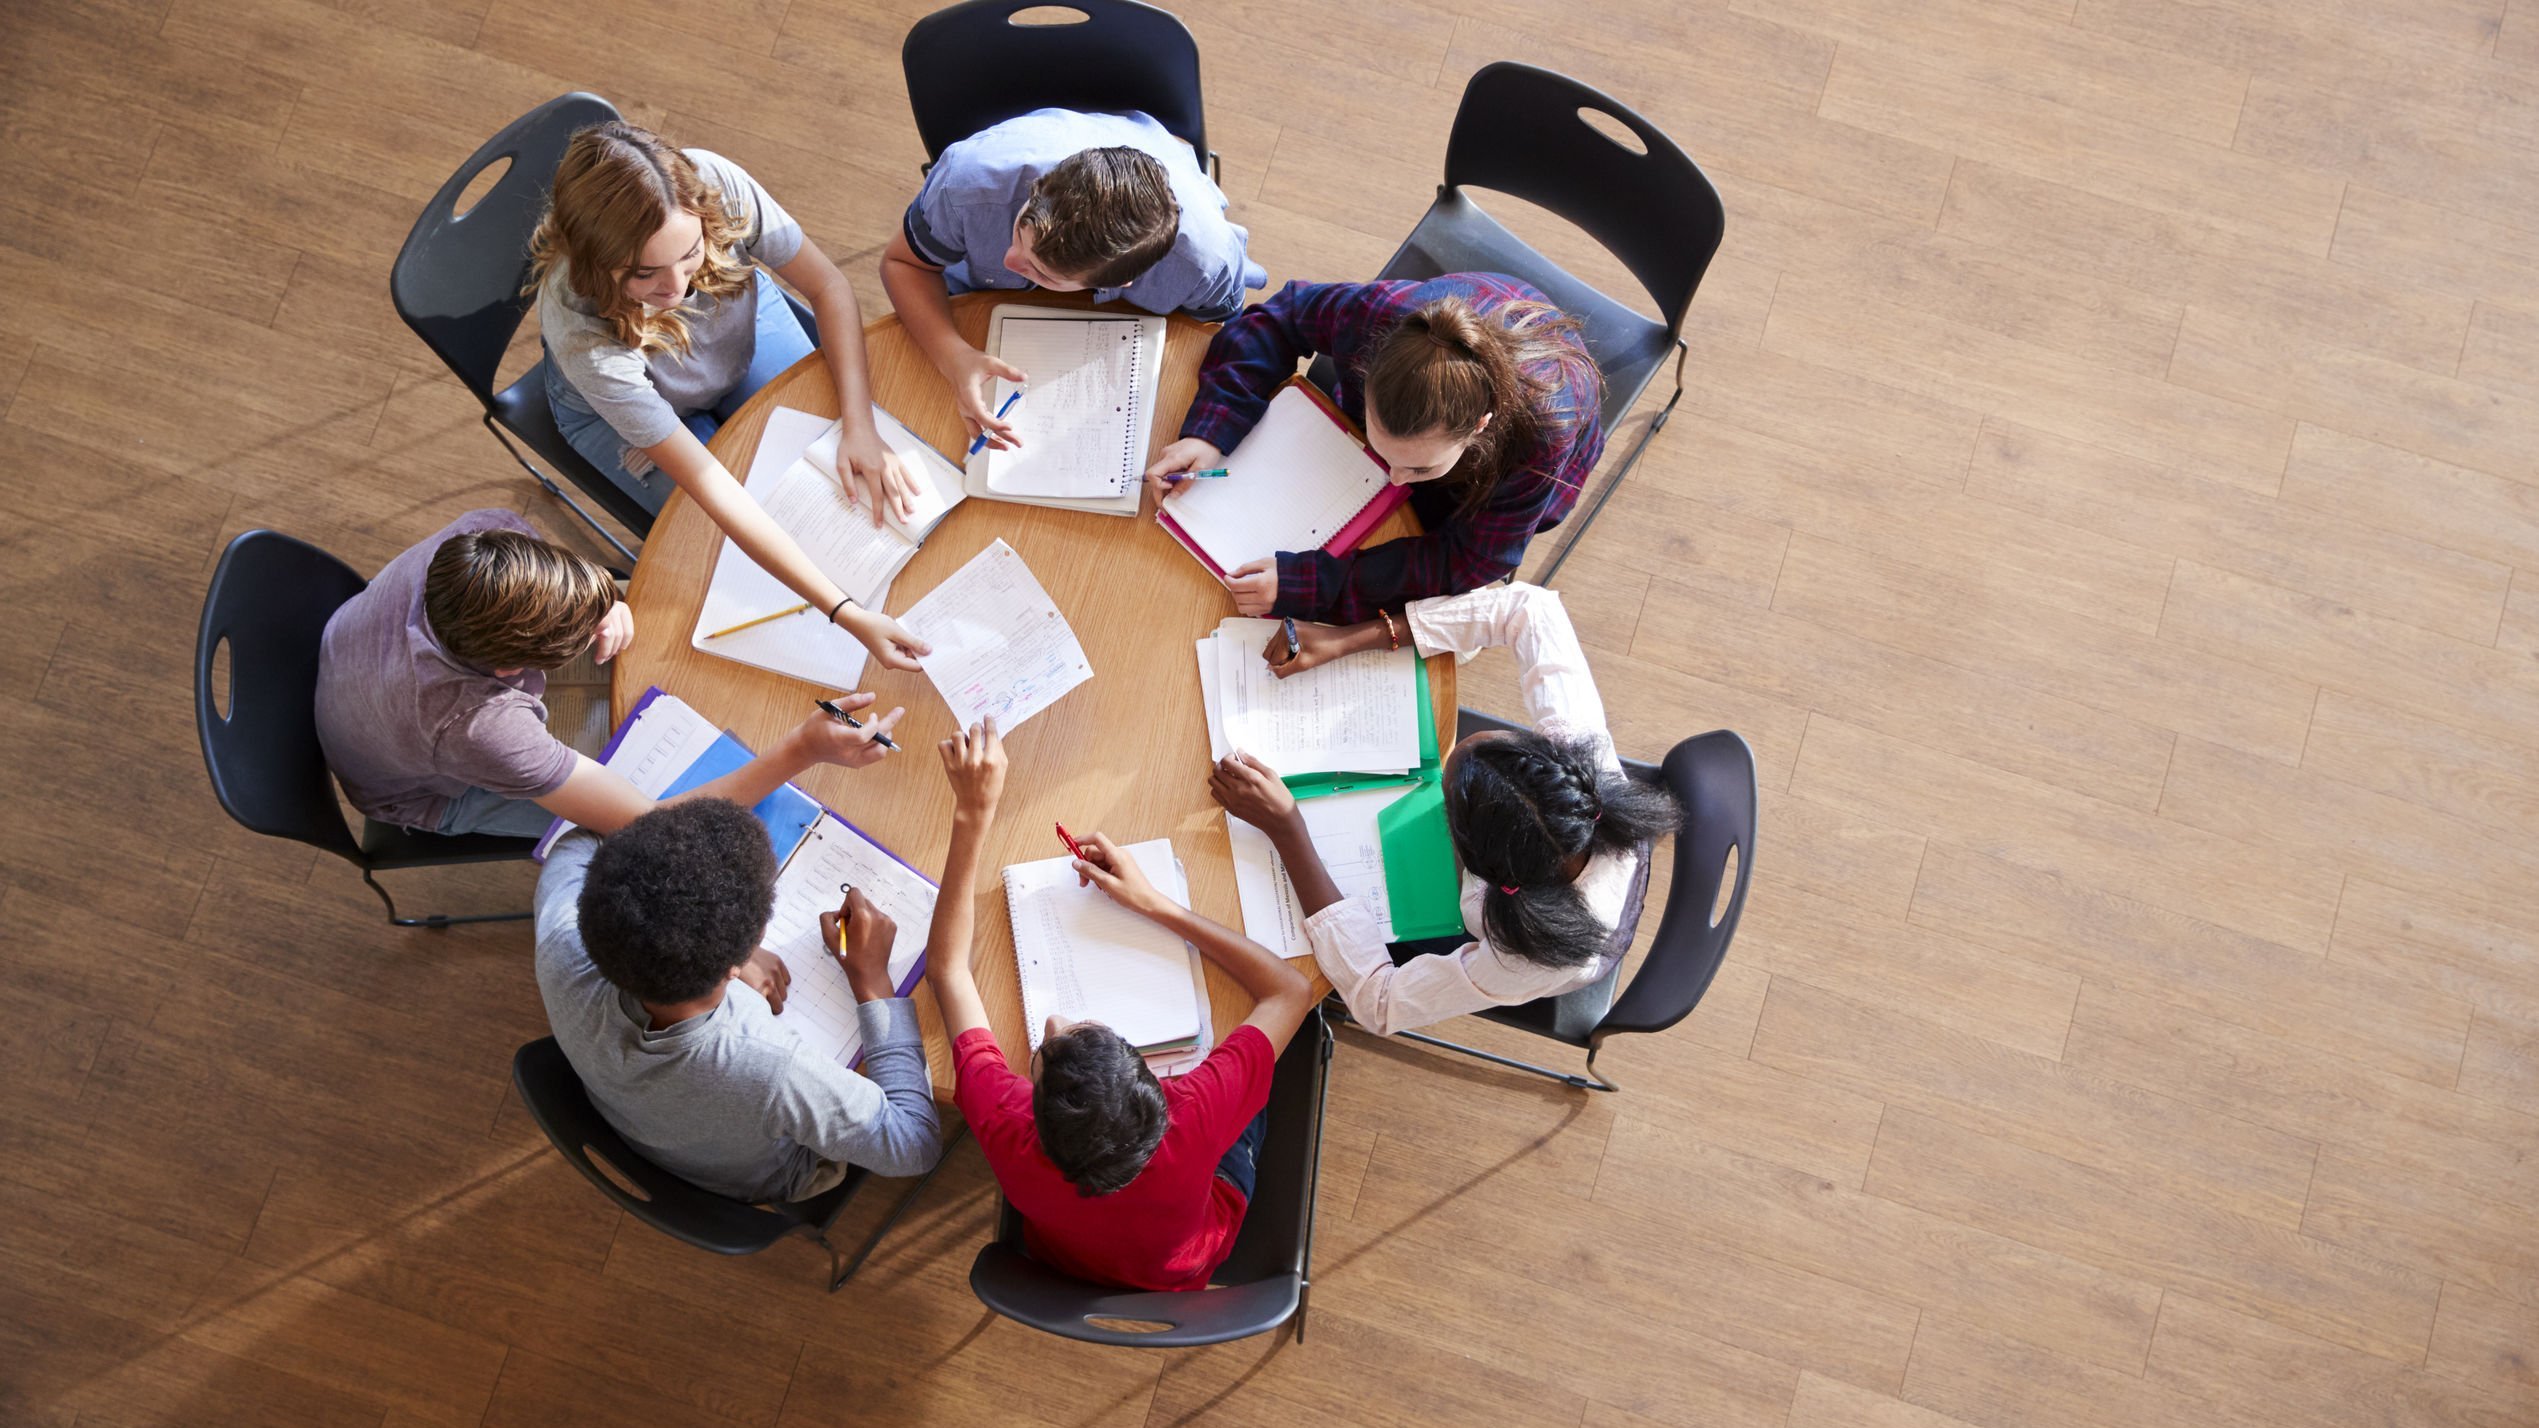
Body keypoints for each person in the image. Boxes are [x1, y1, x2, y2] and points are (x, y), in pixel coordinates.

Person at [924, 719, 1315, 1292]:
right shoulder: (1195, 1114)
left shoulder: (1003, 1121)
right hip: (1186, 1254)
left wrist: (971, 815)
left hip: (1065, 1261)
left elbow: (948, 971)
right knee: (1233, 1046)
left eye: (1047, 1045)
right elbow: (1292, 991)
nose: (1054, 1021)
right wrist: (1157, 905)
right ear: (1155, 1084)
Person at [531, 120, 928, 671]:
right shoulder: (581, 335)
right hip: (623, 414)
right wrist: (844, 611)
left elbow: (829, 286)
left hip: (729, 328)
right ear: (596, 265)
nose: (676, 288)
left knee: (832, 473)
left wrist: (859, 425)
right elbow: (711, 485)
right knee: (736, 548)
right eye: (645, 273)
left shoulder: (714, 181)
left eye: (690, 253)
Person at [1207, 582, 1680, 1036]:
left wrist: (1288, 831)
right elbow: (1530, 609)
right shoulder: (1582, 760)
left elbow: (1378, 1002)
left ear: (1468, 861)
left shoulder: (1523, 961)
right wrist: (1349, 638)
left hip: (1541, 937)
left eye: (1443, 804)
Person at [314, 509, 901, 839]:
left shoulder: (481, 540)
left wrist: (608, 605)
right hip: (420, 787)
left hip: (358, 660)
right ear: (510, 667)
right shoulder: (477, 726)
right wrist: (799, 748)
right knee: (642, 815)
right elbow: (648, 823)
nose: (605, 619)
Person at [535, 799, 941, 1201]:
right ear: (739, 958)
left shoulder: (561, 940)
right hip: (761, 1177)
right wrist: (872, 982)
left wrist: (722, 952)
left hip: (632, 1116)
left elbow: (579, 837)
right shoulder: (773, 1069)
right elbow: (913, 1144)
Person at [1146, 276, 1606, 623]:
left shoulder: (1544, 433)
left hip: (1505, 472)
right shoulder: (1378, 314)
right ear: (1367, 372)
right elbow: (1279, 319)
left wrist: (1315, 584)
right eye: (1381, 446)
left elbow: (1473, 559)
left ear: (1479, 427)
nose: (1392, 478)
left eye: (1419, 468)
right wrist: (1210, 431)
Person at [879, 108, 1266, 453]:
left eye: (1043, 272)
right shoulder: (966, 183)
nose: (1008, 260)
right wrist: (955, 358)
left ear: (1125, 282)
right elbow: (902, 264)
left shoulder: (1206, 267)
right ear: (1041, 186)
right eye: (1019, 231)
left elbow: (1215, 337)